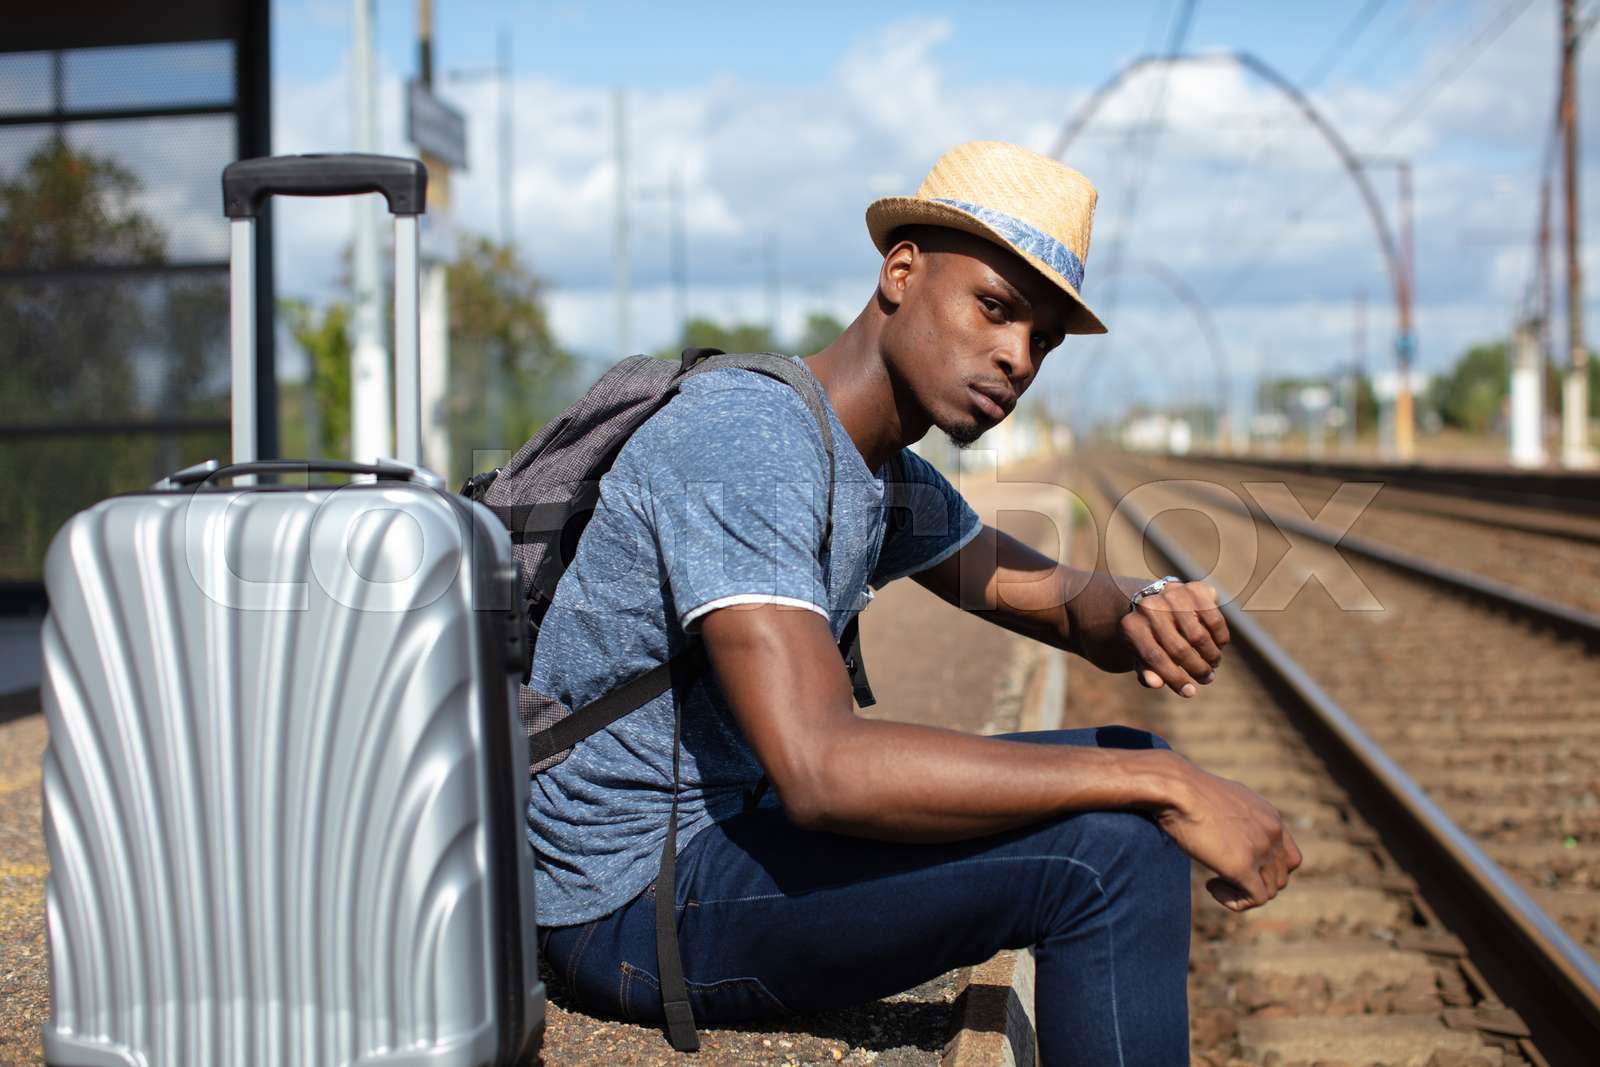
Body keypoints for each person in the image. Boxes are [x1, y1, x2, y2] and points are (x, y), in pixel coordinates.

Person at [527, 140, 1300, 1065]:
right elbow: (823, 769)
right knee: (1108, 855)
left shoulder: (888, 478)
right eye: (996, 308)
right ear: (901, 273)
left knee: (1131, 758)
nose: (1016, 357)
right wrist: (1167, 784)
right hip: (625, 900)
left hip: (724, 846)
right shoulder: (750, 438)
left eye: (1042, 340)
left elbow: (1055, 602)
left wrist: (1145, 600)